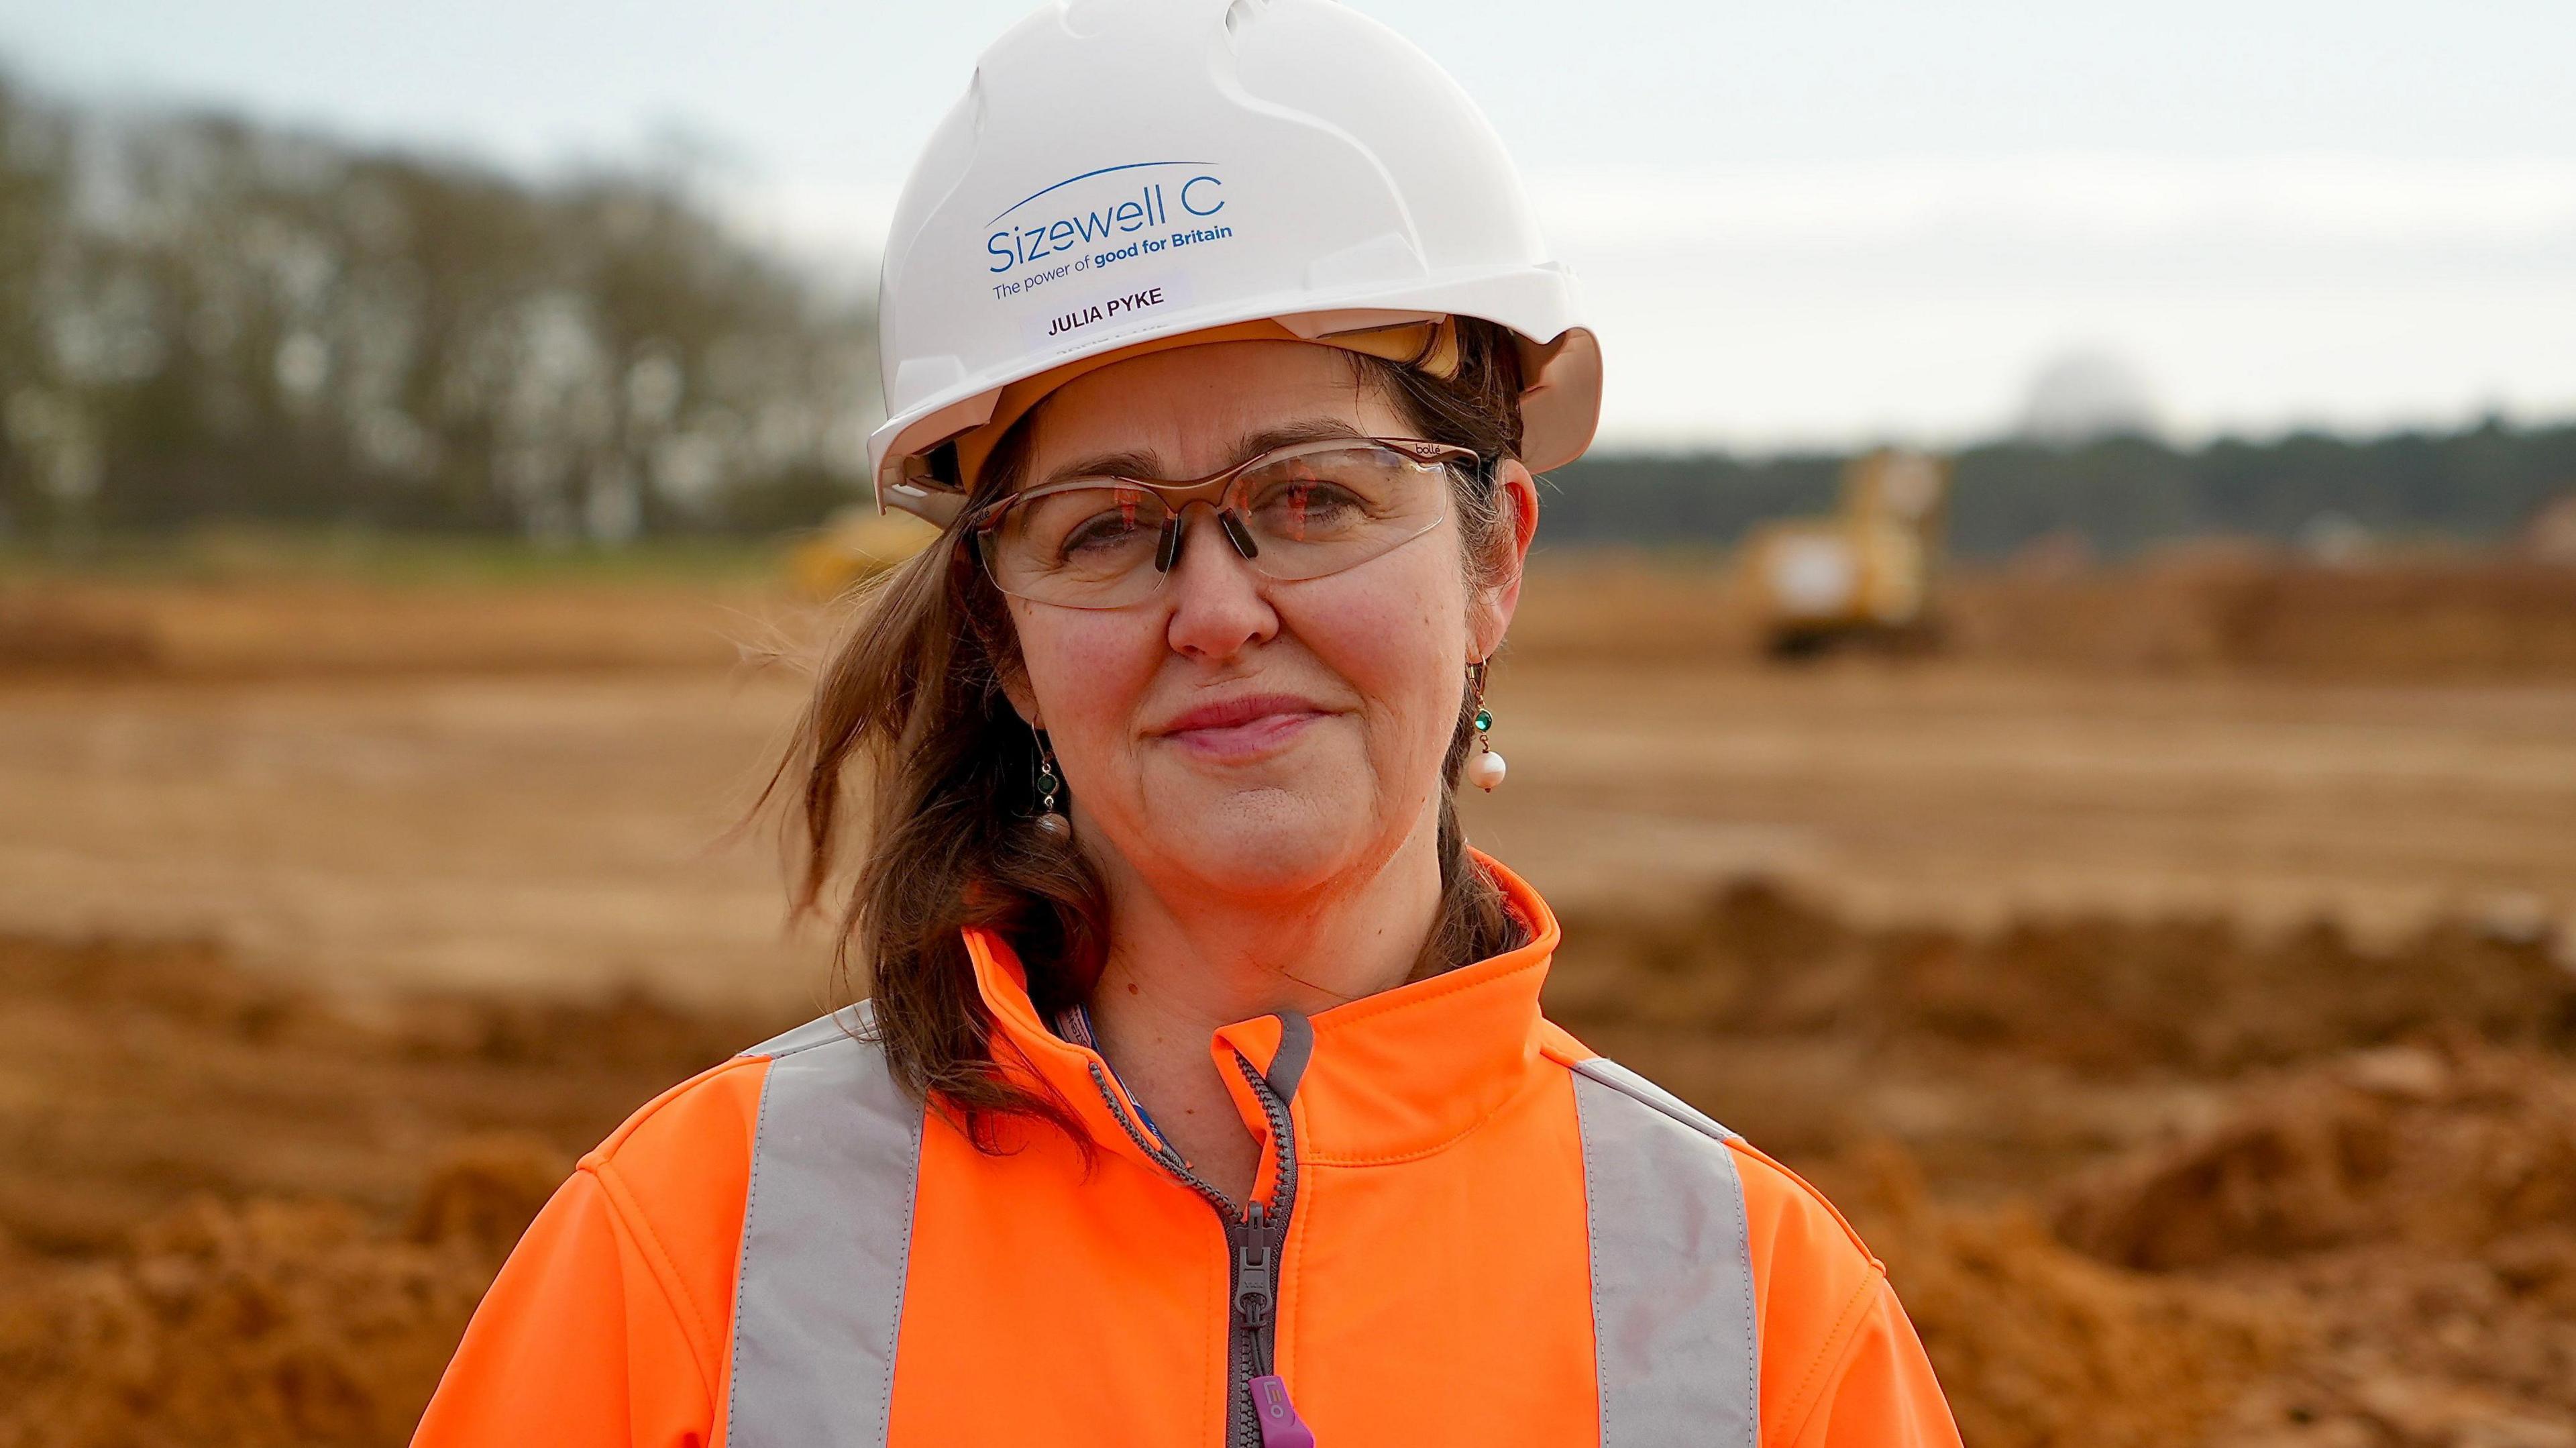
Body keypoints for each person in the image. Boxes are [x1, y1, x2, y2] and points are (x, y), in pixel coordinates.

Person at [413, 1, 1963, 1444]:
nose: (1216, 609)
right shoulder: (691, 1246)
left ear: (1493, 562)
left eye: (1311, 499)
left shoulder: (1766, 1324)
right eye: (1104, 526)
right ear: (1001, 638)